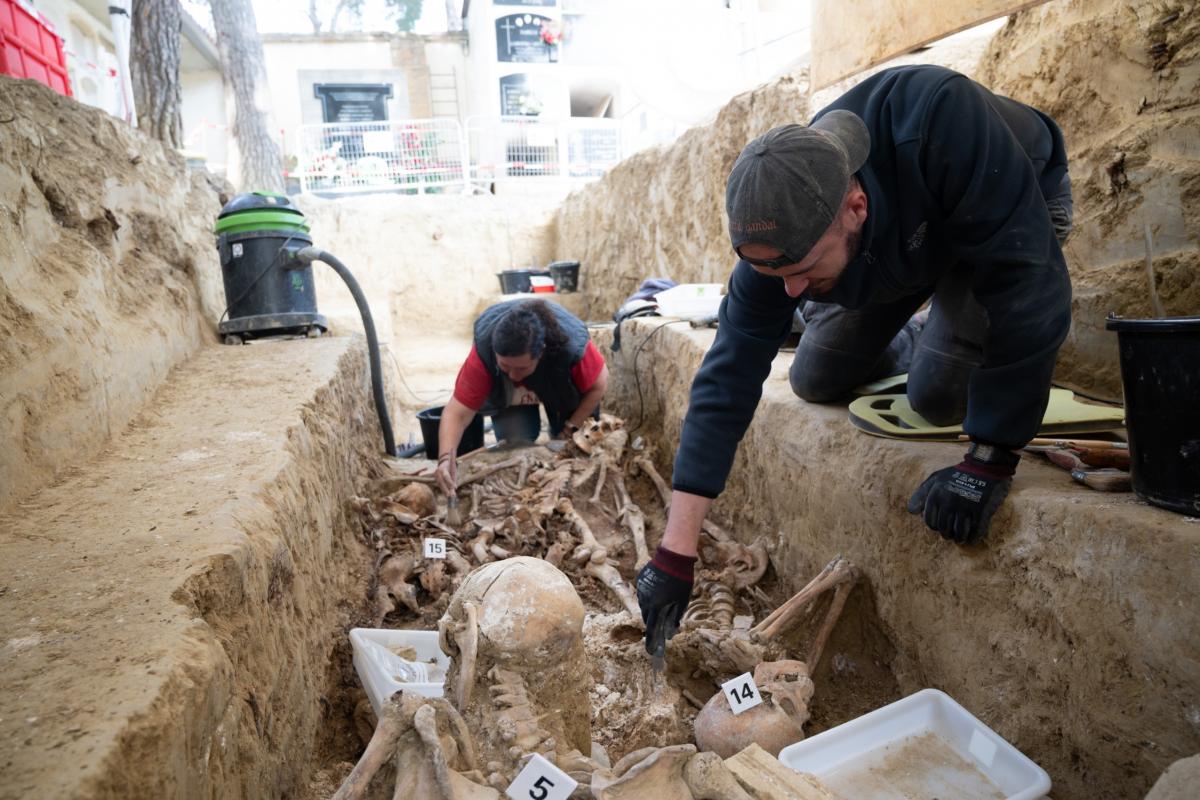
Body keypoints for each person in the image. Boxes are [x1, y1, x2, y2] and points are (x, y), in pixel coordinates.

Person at [635, 65, 1074, 653]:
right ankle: (915, 329)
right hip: (891, 240)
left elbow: (1029, 287)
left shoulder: (945, 118)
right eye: (775, 275)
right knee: (816, 376)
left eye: (799, 272)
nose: (787, 290)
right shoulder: (789, 217)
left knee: (939, 394)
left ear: (856, 206)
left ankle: (947, 327)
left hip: (1009, 205)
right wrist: (674, 552)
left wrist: (990, 457)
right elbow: (729, 374)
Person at [435, 299, 609, 496]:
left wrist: (570, 428)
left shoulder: (570, 348)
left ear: (541, 352)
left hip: (560, 383)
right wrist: (444, 459)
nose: (513, 376)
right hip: (514, 394)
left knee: (570, 449)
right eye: (505, 366)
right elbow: (457, 413)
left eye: (521, 368)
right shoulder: (484, 354)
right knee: (515, 442)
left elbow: (599, 385)